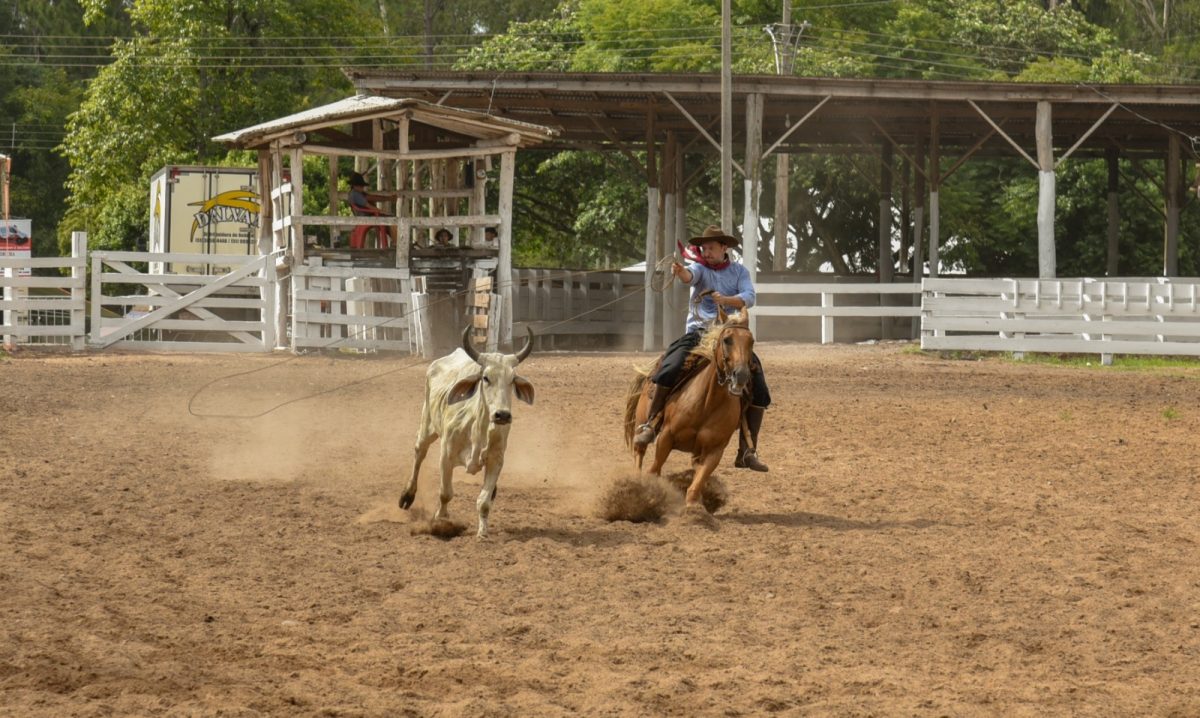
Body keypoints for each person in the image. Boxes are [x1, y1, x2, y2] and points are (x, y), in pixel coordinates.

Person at [632, 225, 771, 472]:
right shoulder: (699, 269)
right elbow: (689, 276)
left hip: (731, 335)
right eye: (703, 249)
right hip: (699, 333)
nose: (705, 253)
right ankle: (650, 424)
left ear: (723, 248)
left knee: (758, 386)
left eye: (710, 248)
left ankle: (747, 449)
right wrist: (681, 271)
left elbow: (749, 297)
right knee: (670, 366)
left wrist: (726, 301)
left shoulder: (740, 272)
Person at [347, 172, 394, 247]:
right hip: (366, 216)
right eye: (361, 186)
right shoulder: (356, 195)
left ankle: (394, 241)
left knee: (388, 221)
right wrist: (381, 211)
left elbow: (370, 197)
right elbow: (369, 206)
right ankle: (396, 242)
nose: (362, 187)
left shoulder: (354, 193)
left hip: (365, 215)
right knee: (391, 220)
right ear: (355, 185)